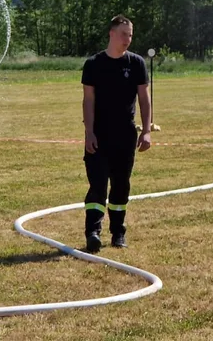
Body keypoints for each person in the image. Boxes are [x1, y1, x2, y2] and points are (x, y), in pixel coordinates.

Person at [81, 15, 152, 251]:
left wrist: (147, 131)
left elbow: (144, 99)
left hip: (126, 135)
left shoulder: (136, 63)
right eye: (124, 34)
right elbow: (88, 101)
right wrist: (89, 132)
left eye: (130, 34)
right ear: (111, 33)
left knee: (121, 185)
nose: (128, 39)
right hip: (99, 135)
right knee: (98, 184)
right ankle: (93, 231)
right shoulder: (93, 64)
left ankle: (118, 233)